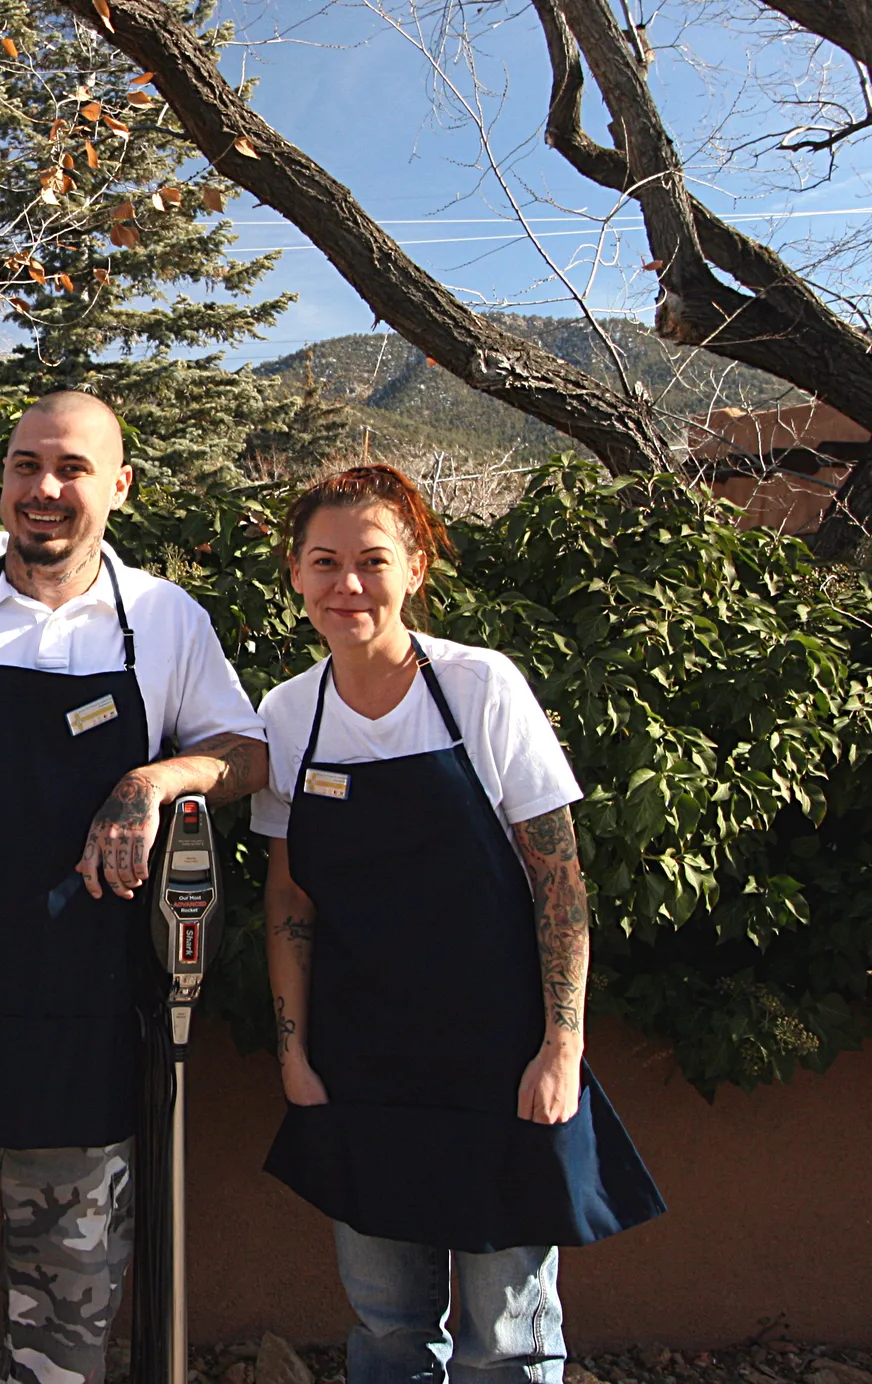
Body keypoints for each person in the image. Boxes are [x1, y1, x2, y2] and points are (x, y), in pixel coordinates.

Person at [0, 391, 268, 1384]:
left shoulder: (164, 619)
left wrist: (150, 779)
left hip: (87, 1046)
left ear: (116, 487)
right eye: (26, 465)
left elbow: (244, 751)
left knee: (67, 1347)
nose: (43, 488)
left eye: (70, 468)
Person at [255, 464, 665, 1384]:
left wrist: (562, 1046)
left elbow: (559, 881)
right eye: (324, 562)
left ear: (415, 570)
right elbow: (289, 898)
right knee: (389, 1330)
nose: (347, 585)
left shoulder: (481, 686)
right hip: (362, 1064)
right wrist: (295, 1051)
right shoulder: (286, 714)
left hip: (500, 1062)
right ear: (294, 574)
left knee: (505, 1342)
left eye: (372, 560)